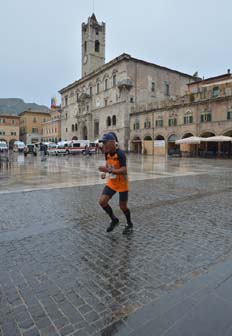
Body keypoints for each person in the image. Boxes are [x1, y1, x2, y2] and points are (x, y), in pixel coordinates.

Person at [98, 133, 133, 234]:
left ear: (112, 143)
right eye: (103, 143)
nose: (103, 145)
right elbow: (108, 164)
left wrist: (108, 170)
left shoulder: (121, 154)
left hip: (122, 183)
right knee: (102, 202)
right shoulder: (106, 153)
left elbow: (124, 170)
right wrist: (104, 172)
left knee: (123, 206)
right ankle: (114, 220)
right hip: (112, 183)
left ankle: (129, 224)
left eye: (105, 143)